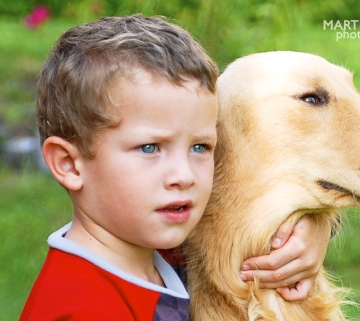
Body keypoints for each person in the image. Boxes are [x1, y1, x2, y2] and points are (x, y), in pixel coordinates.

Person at [19, 14, 333, 320]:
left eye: (200, 147)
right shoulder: (79, 309)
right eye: (150, 148)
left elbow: (243, 222)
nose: (183, 176)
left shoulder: (160, 248)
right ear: (69, 164)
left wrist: (315, 228)